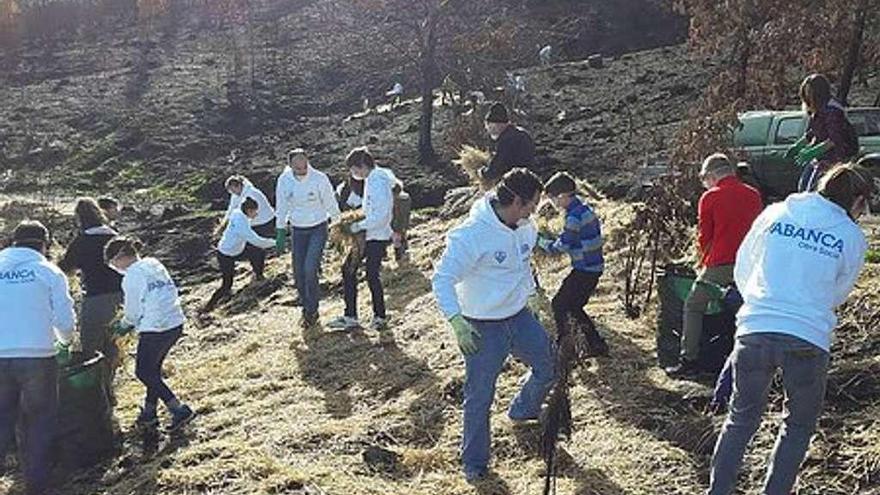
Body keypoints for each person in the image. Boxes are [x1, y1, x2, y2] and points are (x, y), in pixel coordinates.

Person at [706, 163, 873, 495]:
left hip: (755, 327)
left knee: (740, 421)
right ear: (857, 200)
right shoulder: (851, 235)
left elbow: (744, 264)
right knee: (797, 426)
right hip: (808, 336)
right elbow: (839, 292)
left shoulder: (777, 213)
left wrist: (758, 303)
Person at [432, 168, 556, 483]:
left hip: (518, 317)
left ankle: (522, 410)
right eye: (532, 204)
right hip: (481, 325)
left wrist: (532, 297)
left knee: (549, 365)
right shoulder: (472, 236)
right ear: (515, 200)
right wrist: (457, 322)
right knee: (479, 396)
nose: (534, 211)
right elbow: (442, 279)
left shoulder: (525, 227)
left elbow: (524, 264)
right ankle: (474, 463)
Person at [667, 153, 763, 378]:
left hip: (721, 262)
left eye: (704, 179)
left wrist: (702, 260)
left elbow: (704, 236)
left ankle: (688, 359)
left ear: (711, 176)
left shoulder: (710, 197)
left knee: (694, 304)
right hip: (750, 264)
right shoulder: (753, 195)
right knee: (746, 309)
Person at [0, 220, 75, 495]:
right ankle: (37, 485)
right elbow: (65, 320)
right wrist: (65, 342)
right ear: (45, 243)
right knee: (38, 420)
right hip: (37, 355)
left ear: (13, 241)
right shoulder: (49, 271)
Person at [105, 236, 194, 431]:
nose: (115, 268)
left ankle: (178, 408)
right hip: (174, 322)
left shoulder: (131, 276)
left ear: (119, 258)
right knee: (153, 371)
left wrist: (123, 326)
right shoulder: (153, 263)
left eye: (112, 264)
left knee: (143, 372)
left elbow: (133, 312)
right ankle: (149, 412)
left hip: (156, 327)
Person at [536, 171, 608, 357]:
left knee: (559, 303)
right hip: (593, 267)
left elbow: (563, 246)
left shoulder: (573, 217)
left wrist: (542, 242)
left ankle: (565, 344)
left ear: (562, 196)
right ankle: (595, 344)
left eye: (553, 198)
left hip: (585, 269)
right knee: (574, 307)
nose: (552, 203)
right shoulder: (584, 209)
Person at [58, 198, 123, 400]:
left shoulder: (82, 241)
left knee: (90, 347)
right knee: (113, 345)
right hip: (121, 298)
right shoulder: (114, 236)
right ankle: (110, 388)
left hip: (96, 297)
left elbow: (65, 268)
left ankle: (97, 395)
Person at [327, 147, 397, 331]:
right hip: (372, 233)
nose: (353, 174)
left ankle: (376, 316)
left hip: (376, 235)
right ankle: (354, 315)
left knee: (368, 274)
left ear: (361, 166)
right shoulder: (374, 178)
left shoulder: (376, 181)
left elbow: (381, 214)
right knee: (353, 270)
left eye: (353, 169)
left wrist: (358, 226)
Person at [274, 149, 340, 327]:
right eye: (297, 164)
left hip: (318, 227)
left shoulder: (319, 178)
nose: (301, 167)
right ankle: (305, 303)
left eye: (303, 162)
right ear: (290, 165)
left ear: (308, 161)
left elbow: (330, 203)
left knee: (310, 268)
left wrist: (339, 225)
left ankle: (312, 309)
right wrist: (280, 230)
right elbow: (281, 205)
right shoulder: (285, 180)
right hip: (297, 229)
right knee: (298, 272)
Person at [787, 74, 859, 192]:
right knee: (803, 186)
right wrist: (798, 145)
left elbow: (834, 139)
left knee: (812, 191)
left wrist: (814, 151)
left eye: (809, 93)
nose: (807, 97)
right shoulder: (817, 111)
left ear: (819, 93)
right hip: (820, 159)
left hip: (834, 159)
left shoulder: (832, 111)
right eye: (805, 93)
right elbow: (812, 133)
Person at [206, 198, 276, 310]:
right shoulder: (242, 225)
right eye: (255, 211)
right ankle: (208, 306)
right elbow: (257, 240)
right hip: (226, 254)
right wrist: (275, 243)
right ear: (248, 210)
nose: (256, 214)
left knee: (257, 252)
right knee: (227, 284)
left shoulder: (238, 212)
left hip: (237, 249)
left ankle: (258, 275)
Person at [478, 102, 535, 186]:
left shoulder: (506, 140)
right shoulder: (522, 133)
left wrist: (483, 172)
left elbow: (495, 169)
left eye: (489, 127)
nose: (489, 130)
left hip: (516, 183)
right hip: (530, 178)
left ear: (496, 125)